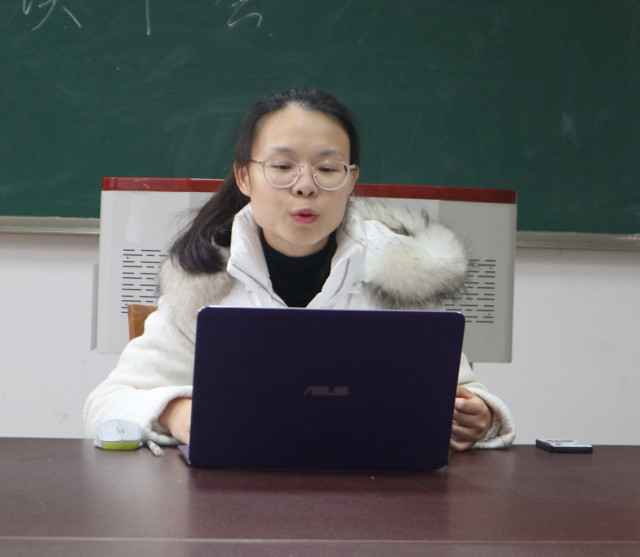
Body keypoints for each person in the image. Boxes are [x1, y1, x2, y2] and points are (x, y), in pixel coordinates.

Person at [84, 87, 515, 452]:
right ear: (245, 177)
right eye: (282, 167)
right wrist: (176, 413)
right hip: (235, 502)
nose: (305, 185)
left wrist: (481, 416)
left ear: (351, 179)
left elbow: (465, 393)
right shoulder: (204, 284)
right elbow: (107, 404)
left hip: (378, 500)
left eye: (327, 168)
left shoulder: (400, 275)